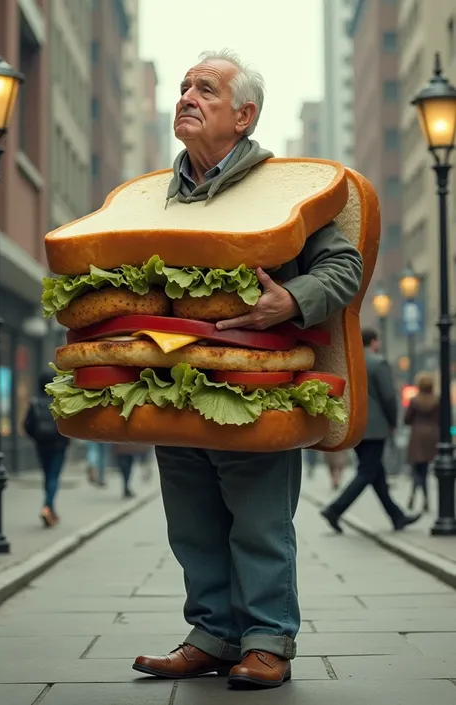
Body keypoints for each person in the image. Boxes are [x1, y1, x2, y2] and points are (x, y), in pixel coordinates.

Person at [132, 49, 363, 690]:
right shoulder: (153, 196)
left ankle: (267, 640)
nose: (186, 96)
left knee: (260, 520)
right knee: (192, 519)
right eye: (183, 87)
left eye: (205, 89)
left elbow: (342, 267)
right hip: (171, 381)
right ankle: (211, 634)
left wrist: (291, 299)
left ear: (244, 116)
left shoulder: (284, 189)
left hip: (256, 384)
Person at [321, 328, 421, 534]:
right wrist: (393, 421)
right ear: (374, 342)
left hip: (354, 424)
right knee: (367, 471)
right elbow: (388, 397)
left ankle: (397, 517)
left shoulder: (348, 361)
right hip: (375, 428)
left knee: (377, 473)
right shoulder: (378, 362)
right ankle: (335, 509)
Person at [24, 370, 70, 527]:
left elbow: (27, 425)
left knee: (47, 476)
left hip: (42, 445)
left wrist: (37, 438)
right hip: (58, 445)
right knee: (53, 477)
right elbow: (68, 424)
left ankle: (50, 508)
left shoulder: (35, 402)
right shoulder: (60, 400)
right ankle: (47, 507)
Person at [405, 372, 439, 512]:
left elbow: (407, 419)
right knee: (424, 469)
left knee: (417, 469)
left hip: (417, 436)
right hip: (432, 436)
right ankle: (424, 498)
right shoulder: (437, 401)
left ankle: (415, 495)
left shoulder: (414, 401)